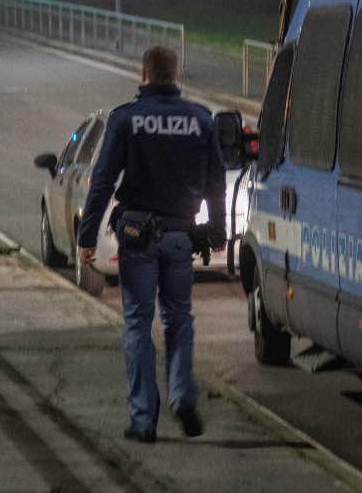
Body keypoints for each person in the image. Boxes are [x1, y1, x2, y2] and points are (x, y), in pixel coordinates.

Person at [77, 45, 226, 444]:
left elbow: (103, 180)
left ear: (144, 75)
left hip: (137, 236)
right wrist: (217, 229)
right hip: (181, 237)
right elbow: (216, 182)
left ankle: (143, 420)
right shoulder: (200, 120)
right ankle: (182, 395)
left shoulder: (126, 119)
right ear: (175, 75)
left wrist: (86, 236)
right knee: (179, 319)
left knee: (138, 324)